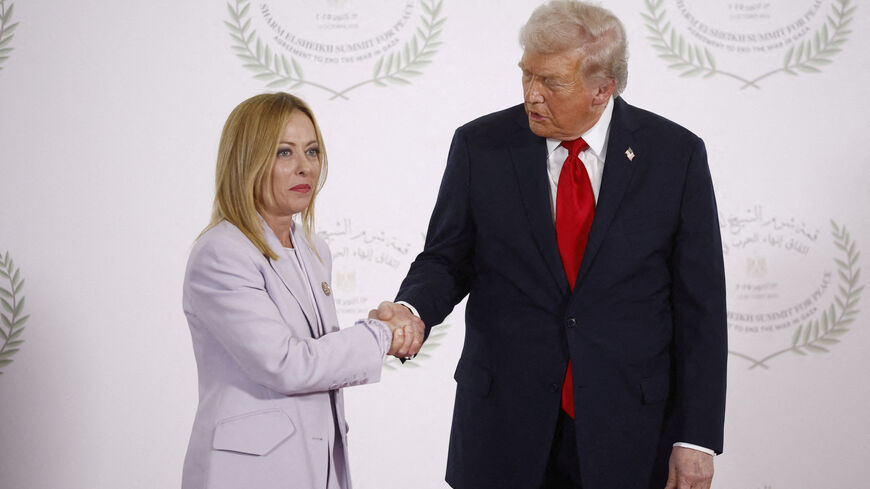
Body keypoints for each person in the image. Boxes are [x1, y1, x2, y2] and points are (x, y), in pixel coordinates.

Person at [373, 1, 727, 488]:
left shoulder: (675, 156)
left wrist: (697, 438)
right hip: (504, 430)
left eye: (551, 82)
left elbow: (700, 308)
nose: (531, 96)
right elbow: (447, 257)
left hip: (629, 433)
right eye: (526, 76)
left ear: (603, 89)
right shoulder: (482, 146)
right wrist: (413, 308)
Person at [181, 92, 418, 489]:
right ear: (248, 160)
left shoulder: (313, 248)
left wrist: (380, 327)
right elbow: (286, 364)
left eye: (312, 151)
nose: (305, 167)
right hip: (249, 473)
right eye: (284, 153)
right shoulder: (221, 253)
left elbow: (320, 352)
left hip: (314, 463)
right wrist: (380, 334)